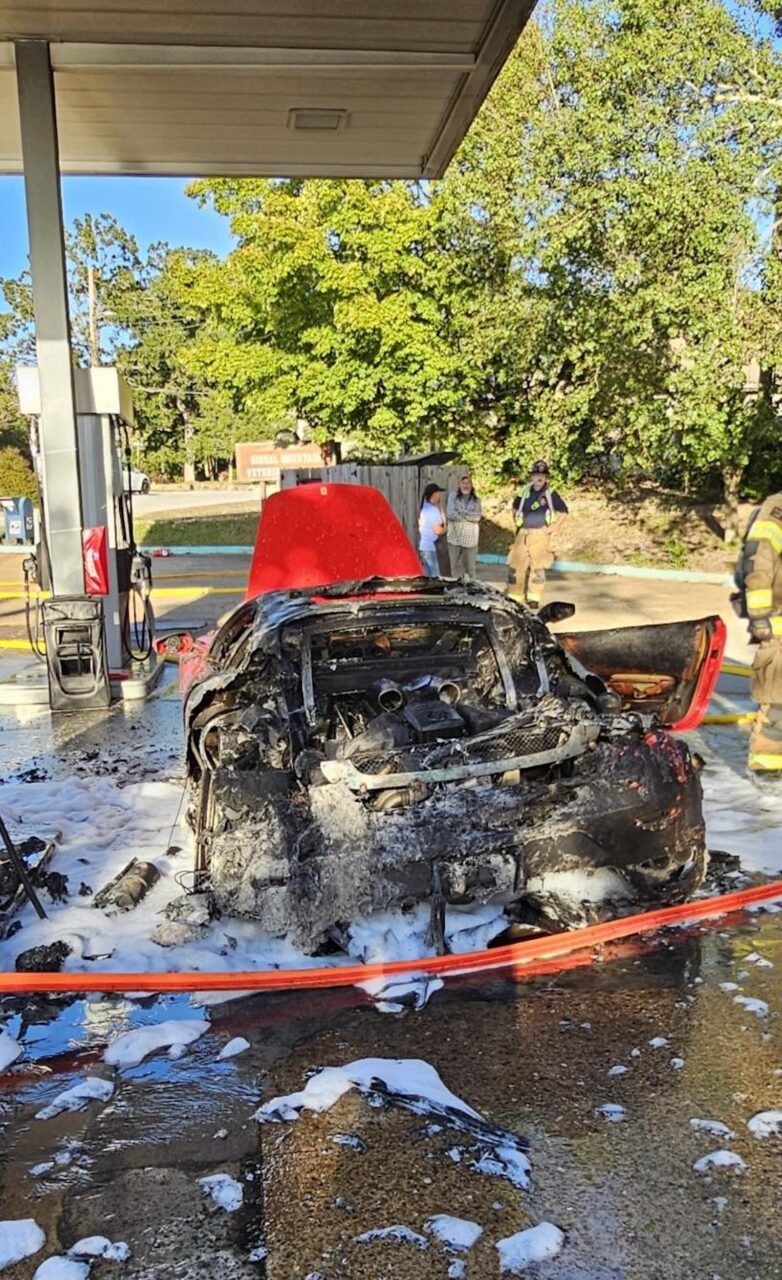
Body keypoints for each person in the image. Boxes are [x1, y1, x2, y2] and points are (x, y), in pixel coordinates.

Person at [740, 492, 782, 774]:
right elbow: (759, 562)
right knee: (778, 705)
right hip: (779, 624)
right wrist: (761, 615)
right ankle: (768, 774)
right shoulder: (777, 509)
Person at [507, 459, 568, 609]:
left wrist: (553, 528)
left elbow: (565, 512)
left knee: (538, 568)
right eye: (536, 474)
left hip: (540, 534)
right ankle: (514, 596)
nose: (539, 477)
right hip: (523, 533)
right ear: (532, 476)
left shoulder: (550, 493)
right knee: (516, 565)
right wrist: (517, 522)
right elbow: (514, 508)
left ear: (546, 478)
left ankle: (534, 597)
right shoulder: (524, 491)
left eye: (542, 475)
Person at [446, 473, 482, 577]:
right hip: (454, 538)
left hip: (471, 540)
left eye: (468, 483)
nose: (465, 485)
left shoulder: (476, 500)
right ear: (459, 485)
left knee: (470, 568)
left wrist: (461, 512)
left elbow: (477, 517)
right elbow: (450, 514)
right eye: (463, 483)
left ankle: (473, 589)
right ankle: (447, 588)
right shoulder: (453, 496)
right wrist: (468, 517)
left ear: (471, 485)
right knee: (450, 567)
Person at [418, 483, 446, 577]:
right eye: (438, 493)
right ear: (434, 494)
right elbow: (438, 530)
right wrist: (446, 529)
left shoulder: (425, 508)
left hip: (424, 548)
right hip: (429, 548)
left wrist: (440, 505)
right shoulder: (433, 511)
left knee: (428, 576)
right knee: (435, 577)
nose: (440, 495)